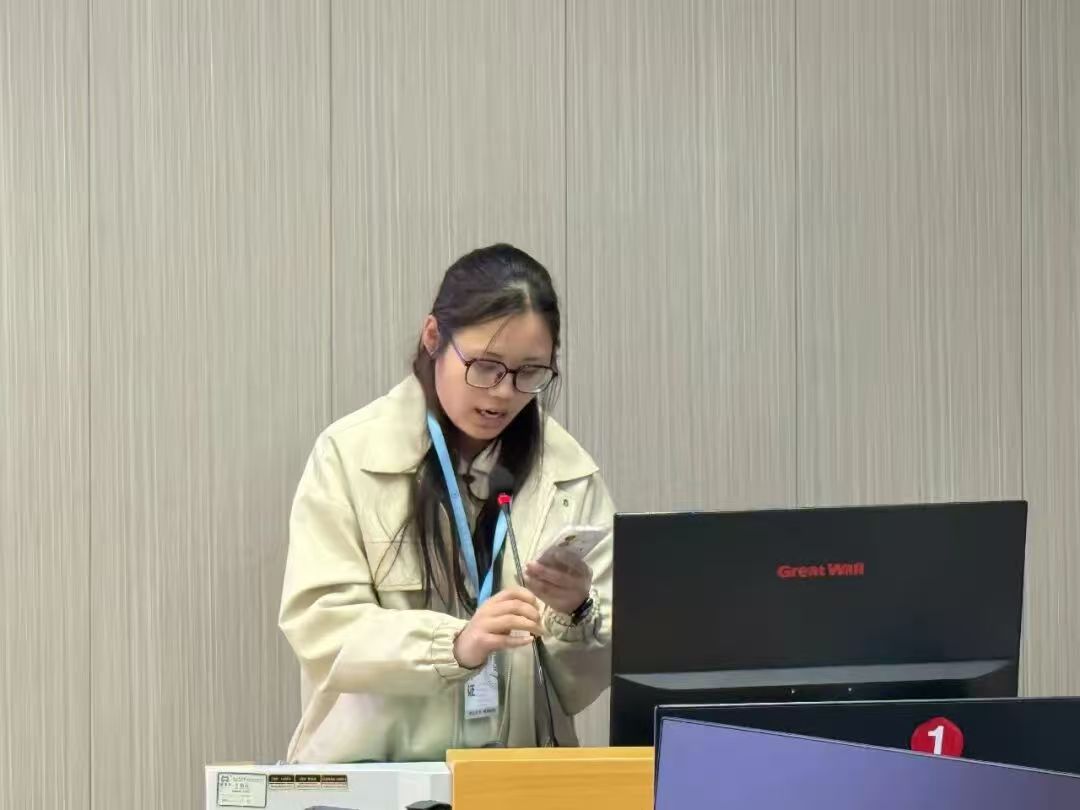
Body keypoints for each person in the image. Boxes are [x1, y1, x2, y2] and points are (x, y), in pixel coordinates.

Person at [278, 244, 616, 763]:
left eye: (530, 372)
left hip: (517, 782)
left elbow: (580, 686)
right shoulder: (349, 457)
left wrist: (577, 614)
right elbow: (321, 628)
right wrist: (454, 645)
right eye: (485, 366)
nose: (503, 393)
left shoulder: (570, 479)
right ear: (434, 338)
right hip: (378, 780)